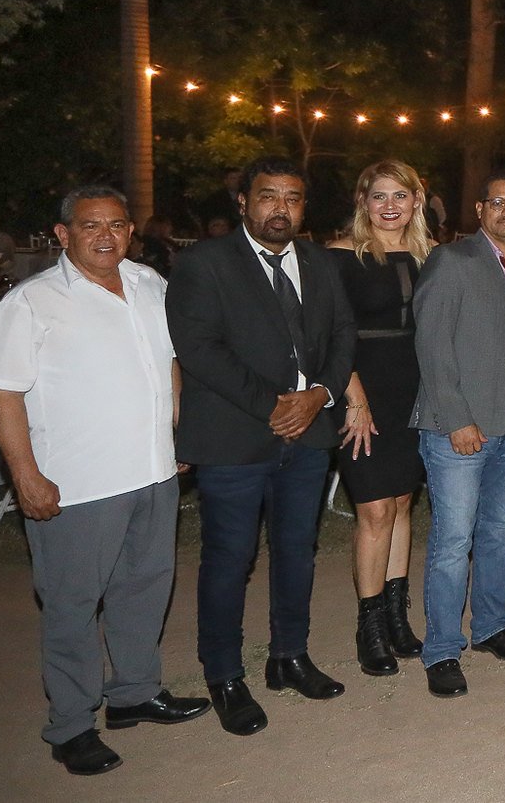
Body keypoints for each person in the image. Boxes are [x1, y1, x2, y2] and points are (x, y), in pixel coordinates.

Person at [0, 187, 208, 775]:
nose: (105, 236)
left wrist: (178, 431)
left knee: (144, 589)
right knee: (72, 605)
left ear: (130, 231)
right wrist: (25, 475)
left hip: (153, 473)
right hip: (76, 484)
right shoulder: (30, 303)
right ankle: (71, 725)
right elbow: (3, 395)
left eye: (116, 225)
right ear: (63, 235)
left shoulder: (149, 284)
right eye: (90, 226)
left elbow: (169, 363)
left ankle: (134, 694)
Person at [169, 155, 356, 735]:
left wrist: (320, 395)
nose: (281, 208)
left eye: (293, 198)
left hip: (309, 433)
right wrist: (274, 406)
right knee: (230, 558)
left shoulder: (320, 262)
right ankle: (225, 674)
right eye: (269, 196)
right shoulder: (204, 263)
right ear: (244, 203)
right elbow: (199, 348)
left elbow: (344, 334)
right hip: (235, 436)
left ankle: (289, 657)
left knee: (297, 551)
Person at [409, 171, 505, 698]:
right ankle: (442, 649)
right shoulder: (451, 261)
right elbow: (431, 345)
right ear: (480, 208)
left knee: (498, 531)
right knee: (453, 540)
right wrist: (456, 419)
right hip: (460, 430)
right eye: (498, 202)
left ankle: (491, 626)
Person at [324, 160, 435, 677]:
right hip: (360, 394)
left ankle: (396, 617)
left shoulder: (431, 255)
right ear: (362, 201)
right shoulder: (339, 256)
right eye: (379, 196)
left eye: (400, 196)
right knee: (373, 511)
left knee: (401, 503)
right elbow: (329, 336)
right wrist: (354, 398)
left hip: (415, 393)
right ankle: (369, 627)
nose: (390, 206)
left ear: (416, 201)